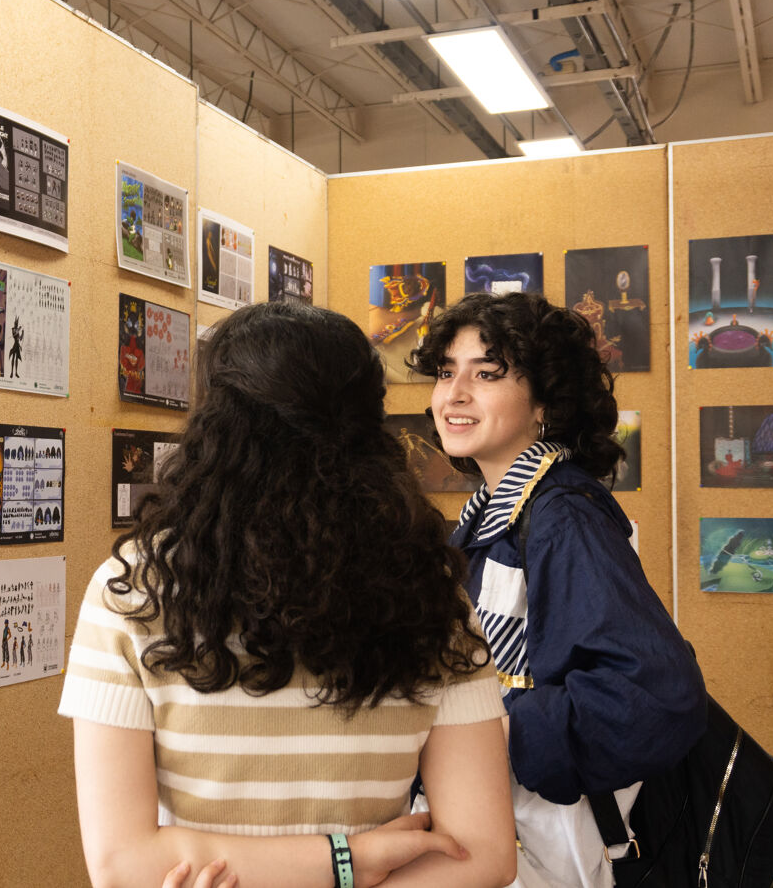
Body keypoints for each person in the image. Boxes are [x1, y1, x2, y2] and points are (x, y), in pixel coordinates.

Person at [60, 301, 516, 888]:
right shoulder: (431, 589)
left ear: (215, 426)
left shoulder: (136, 589)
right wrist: (348, 861)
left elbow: (123, 865)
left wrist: (316, 863)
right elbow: (480, 855)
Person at [408, 292, 706, 888]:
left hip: (554, 850)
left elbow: (654, 692)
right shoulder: (494, 513)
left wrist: (491, 734)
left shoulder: (560, 515)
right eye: (446, 373)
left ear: (544, 401)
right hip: (505, 832)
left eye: (486, 374)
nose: (454, 394)